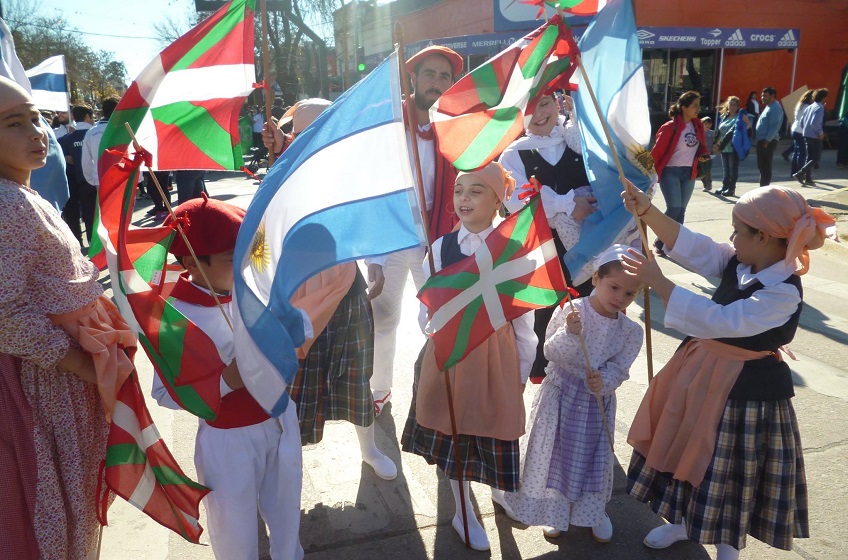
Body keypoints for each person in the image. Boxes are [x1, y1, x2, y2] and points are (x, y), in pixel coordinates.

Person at [621, 183, 835, 560]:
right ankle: (681, 521)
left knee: (730, 466)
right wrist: (648, 211)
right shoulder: (744, 261)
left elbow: (721, 320)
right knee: (684, 446)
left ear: (765, 236)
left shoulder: (783, 291)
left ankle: (727, 543)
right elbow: (697, 247)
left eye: (738, 231)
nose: (731, 239)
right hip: (700, 372)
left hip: (744, 389)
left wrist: (660, 282)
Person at [0, 76, 135, 559]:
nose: (36, 131)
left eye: (35, 117)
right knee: (57, 499)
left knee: (73, 492)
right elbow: (5, 311)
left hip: (62, 373)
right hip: (47, 382)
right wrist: (78, 362)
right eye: (14, 123)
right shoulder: (8, 203)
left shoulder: (23, 194)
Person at [152, 195, 304, 560]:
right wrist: (226, 380)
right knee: (233, 531)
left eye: (247, 254)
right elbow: (164, 393)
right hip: (229, 440)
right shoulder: (171, 316)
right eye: (229, 258)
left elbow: (296, 331)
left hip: (281, 419)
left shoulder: (254, 289)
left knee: (287, 516)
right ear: (191, 261)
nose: (244, 265)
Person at [402, 162, 537, 552]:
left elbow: (523, 315)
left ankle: (500, 489)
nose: (463, 198)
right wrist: (435, 338)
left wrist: (522, 369)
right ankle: (462, 505)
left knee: (496, 424)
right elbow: (427, 305)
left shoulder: (512, 249)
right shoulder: (441, 248)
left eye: (476, 191)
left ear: (499, 198)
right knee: (455, 429)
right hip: (451, 353)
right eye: (460, 190)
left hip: (497, 354)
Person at [263, 98, 398, 480]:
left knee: (356, 372)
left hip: (346, 284)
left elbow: (370, 220)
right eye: (304, 131)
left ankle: (369, 449)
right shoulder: (285, 172)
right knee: (299, 377)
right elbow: (271, 221)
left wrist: (376, 264)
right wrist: (277, 158)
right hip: (299, 289)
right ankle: (290, 456)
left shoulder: (351, 169)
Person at [497, 245, 644, 542]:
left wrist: (604, 380)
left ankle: (593, 511)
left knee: (592, 458)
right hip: (561, 396)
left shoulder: (631, 331)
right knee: (556, 457)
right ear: (595, 279)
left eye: (629, 294)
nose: (619, 297)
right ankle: (556, 511)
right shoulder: (572, 311)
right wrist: (570, 333)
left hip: (595, 402)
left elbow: (621, 367)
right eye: (613, 287)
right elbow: (550, 351)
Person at [366, 45, 464, 415]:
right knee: (384, 318)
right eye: (429, 74)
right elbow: (370, 188)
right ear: (414, 77)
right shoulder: (387, 121)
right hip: (390, 238)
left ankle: (438, 395)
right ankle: (379, 391)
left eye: (445, 77)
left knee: (442, 320)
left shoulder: (456, 122)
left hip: (437, 239)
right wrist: (373, 255)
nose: (436, 83)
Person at [498, 92, 598, 379]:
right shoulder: (514, 153)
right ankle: (550, 392)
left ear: (557, 103)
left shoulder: (579, 138)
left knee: (590, 316)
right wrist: (569, 204)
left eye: (544, 103)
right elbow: (518, 202)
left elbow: (605, 178)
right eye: (528, 108)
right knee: (546, 321)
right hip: (543, 255)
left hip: (591, 249)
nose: (538, 113)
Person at [650, 91, 710, 256]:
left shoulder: (697, 125)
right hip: (671, 172)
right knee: (674, 209)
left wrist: (703, 154)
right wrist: (648, 173)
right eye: (694, 106)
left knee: (682, 210)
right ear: (684, 108)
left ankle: (676, 245)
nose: (698, 109)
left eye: (699, 105)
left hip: (689, 172)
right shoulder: (670, 127)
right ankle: (660, 240)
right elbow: (657, 152)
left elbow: (701, 145)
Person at [57, 104, 95, 246]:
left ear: (73, 116)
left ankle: (77, 242)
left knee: (73, 215)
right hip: (91, 182)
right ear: (88, 116)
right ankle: (93, 241)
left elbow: (67, 159)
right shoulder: (95, 135)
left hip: (72, 181)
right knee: (91, 214)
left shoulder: (65, 139)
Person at [714, 96, 751, 198]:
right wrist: (715, 143)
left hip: (733, 147)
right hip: (724, 147)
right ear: (727, 105)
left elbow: (734, 132)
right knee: (726, 169)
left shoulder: (740, 117)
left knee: (732, 169)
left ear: (738, 106)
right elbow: (720, 132)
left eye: (735, 105)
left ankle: (731, 189)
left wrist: (747, 122)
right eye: (731, 104)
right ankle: (724, 186)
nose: (732, 107)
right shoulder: (724, 117)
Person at [80, 97, 119, 191]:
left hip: (100, 178)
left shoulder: (91, 132)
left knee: (105, 205)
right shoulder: (125, 130)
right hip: (123, 177)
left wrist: (92, 179)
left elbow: (86, 161)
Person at [794, 88, 828, 187]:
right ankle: (800, 173)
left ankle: (808, 178)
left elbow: (802, 121)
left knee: (809, 157)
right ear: (823, 98)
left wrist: (806, 129)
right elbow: (815, 122)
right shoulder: (819, 108)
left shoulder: (810, 106)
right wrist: (820, 132)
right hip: (814, 135)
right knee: (816, 157)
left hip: (806, 134)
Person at [755, 87, 784, 187]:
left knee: (765, 167)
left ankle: (764, 189)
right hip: (763, 140)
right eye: (762, 95)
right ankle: (763, 188)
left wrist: (767, 140)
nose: (763, 97)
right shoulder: (769, 106)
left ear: (772, 96)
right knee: (762, 166)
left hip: (768, 141)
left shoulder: (776, 107)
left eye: (765, 96)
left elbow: (775, 125)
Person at [786, 89, 815, 174]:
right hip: (801, 131)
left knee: (796, 152)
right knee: (802, 153)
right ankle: (800, 172)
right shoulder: (807, 107)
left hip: (795, 129)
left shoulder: (800, 105)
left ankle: (794, 171)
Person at [699, 116, 715, 192]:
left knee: (708, 169)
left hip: (709, 153)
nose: (707, 125)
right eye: (705, 124)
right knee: (701, 169)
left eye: (709, 124)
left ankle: (709, 183)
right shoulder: (699, 133)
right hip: (701, 153)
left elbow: (716, 142)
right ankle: (705, 183)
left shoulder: (712, 133)